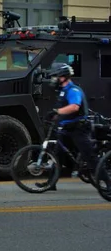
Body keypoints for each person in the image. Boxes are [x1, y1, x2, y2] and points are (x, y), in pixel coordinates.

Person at [36, 63, 96, 191]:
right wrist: (53, 117)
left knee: (90, 157)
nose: (53, 79)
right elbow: (64, 110)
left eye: (55, 76)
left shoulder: (73, 90)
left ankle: (107, 184)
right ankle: (50, 184)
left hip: (79, 128)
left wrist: (57, 112)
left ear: (63, 77)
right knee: (57, 156)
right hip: (67, 129)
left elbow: (74, 107)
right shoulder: (63, 91)